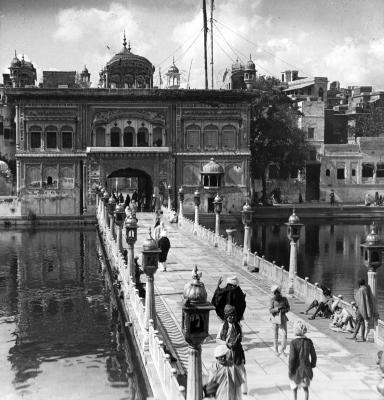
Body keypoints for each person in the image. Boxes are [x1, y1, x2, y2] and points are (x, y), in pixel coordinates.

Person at [216, 305, 247, 395]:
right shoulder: (223, 327)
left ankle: (243, 390)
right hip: (228, 352)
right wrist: (226, 344)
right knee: (228, 372)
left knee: (241, 370)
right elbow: (217, 339)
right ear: (226, 316)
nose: (232, 317)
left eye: (233, 316)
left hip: (238, 351)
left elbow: (241, 336)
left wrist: (240, 338)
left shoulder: (238, 325)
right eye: (230, 316)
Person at [289, 320, 317, 400]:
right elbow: (313, 354)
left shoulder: (293, 343)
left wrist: (291, 370)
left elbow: (292, 358)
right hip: (306, 369)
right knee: (306, 388)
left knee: (294, 388)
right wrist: (312, 364)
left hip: (296, 370)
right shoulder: (309, 341)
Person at [270, 285, 290, 355]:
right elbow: (270, 310)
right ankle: (276, 349)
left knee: (284, 334)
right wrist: (277, 309)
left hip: (283, 318)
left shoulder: (284, 299)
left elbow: (288, 308)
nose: (276, 295)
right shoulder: (272, 300)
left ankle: (282, 349)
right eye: (275, 294)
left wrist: (284, 310)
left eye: (277, 293)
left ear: (279, 293)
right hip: (275, 318)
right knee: (275, 334)